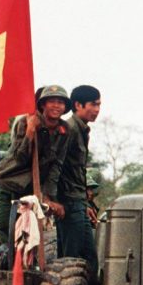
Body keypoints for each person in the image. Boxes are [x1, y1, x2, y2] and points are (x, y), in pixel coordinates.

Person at [0, 85, 70, 242]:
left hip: (28, 191)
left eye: (60, 102)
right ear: (42, 105)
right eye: (51, 101)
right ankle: (4, 264)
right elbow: (20, 158)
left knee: (26, 235)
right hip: (6, 183)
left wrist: (47, 196)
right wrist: (30, 132)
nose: (56, 106)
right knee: (6, 230)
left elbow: (56, 166)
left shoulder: (64, 130)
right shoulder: (26, 122)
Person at [57, 85, 101, 272]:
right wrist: (54, 200)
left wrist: (85, 203)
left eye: (99, 105)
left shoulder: (82, 130)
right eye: (93, 104)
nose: (97, 110)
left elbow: (79, 172)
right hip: (68, 202)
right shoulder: (69, 129)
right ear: (78, 105)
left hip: (78, 202)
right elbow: (55, 167)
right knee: (71, 260)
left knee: (89, 259)